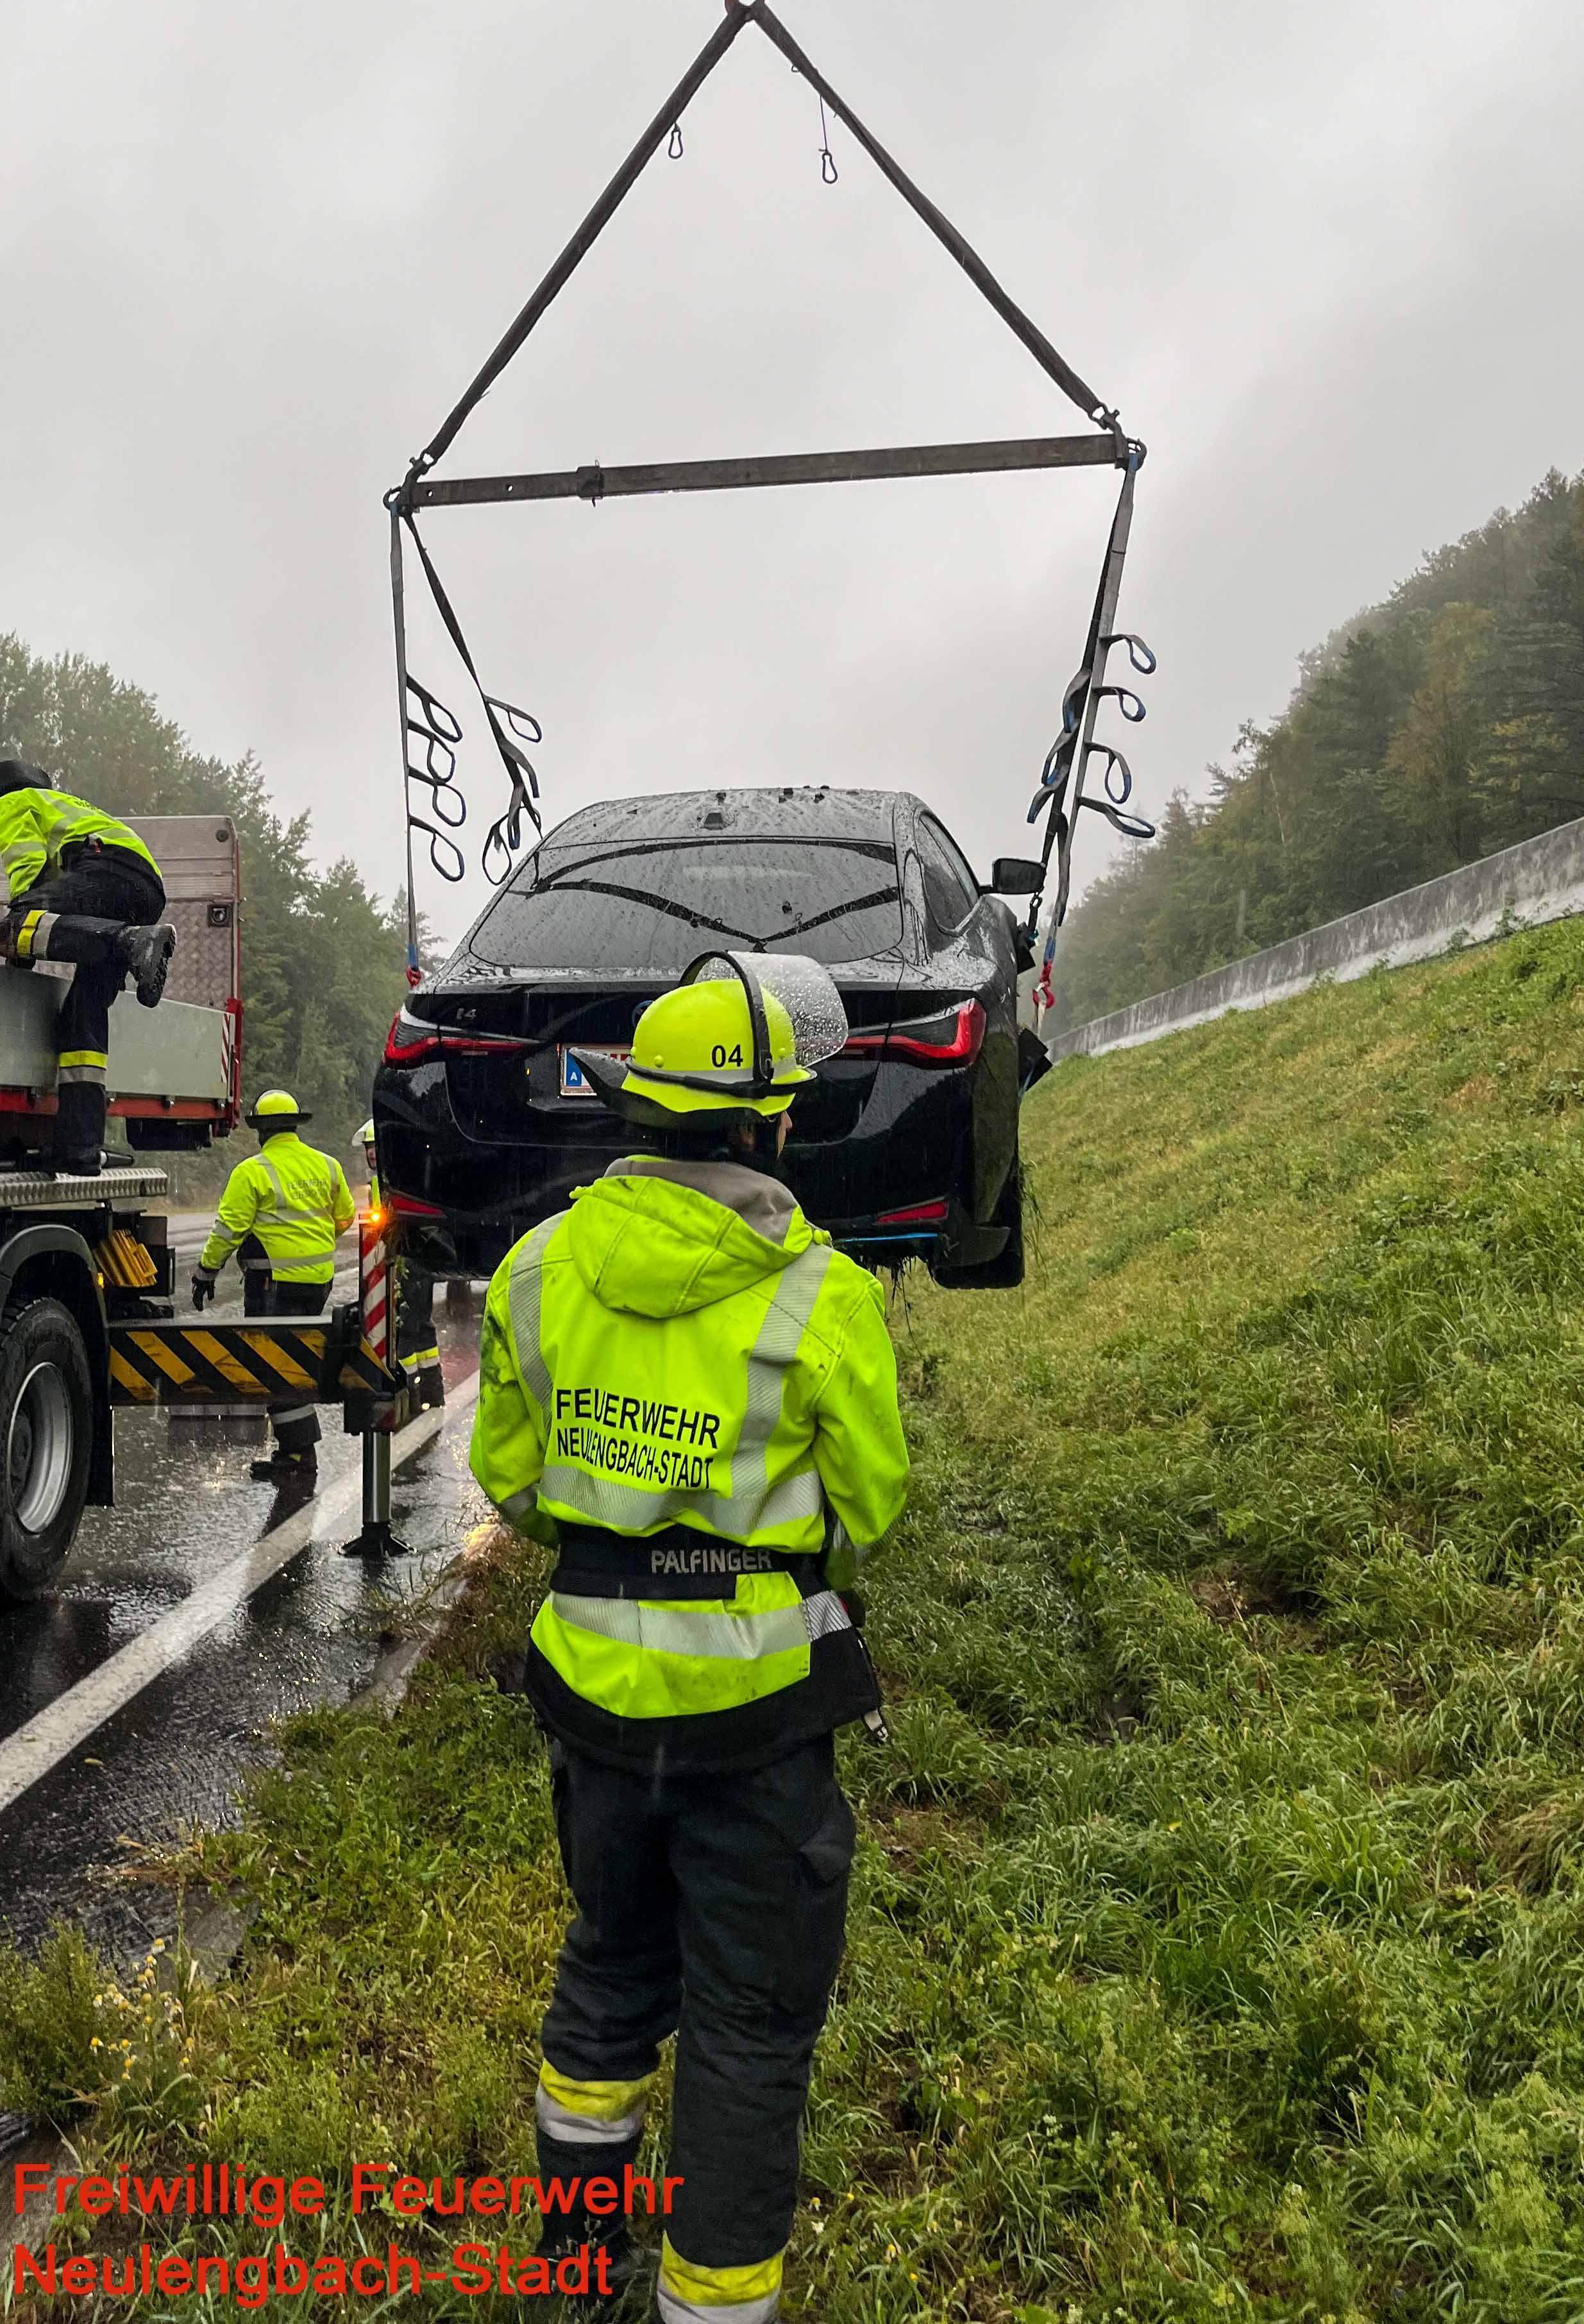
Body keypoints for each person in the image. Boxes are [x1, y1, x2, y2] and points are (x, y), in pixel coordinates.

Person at [469, 956, 909, 2323]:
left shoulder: (535, 1268)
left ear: (637, 1107)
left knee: (607, 1971)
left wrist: (620, 1523)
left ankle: (577, 2267)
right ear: (770, 1123)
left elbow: (510, 1480)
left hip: (591, 1697)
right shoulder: (822, 1294)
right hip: (758, 1720)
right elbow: (870, 1508)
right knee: (748, 2028)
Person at [0, 759, 175, 1176]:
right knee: (82, 1022)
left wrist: (22, 922)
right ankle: (79, 1150)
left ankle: (130, 942)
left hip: (105, 869)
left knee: (11, 930)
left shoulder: (10, 801)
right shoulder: (66, 807)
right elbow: (59, 886)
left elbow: (26, 861)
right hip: (145, 888)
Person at [194, 1089, 357, 1473]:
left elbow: (229, 1230)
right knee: (294, 1360)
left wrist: (206, 1272)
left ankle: (299, 1454)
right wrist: (313, 1245)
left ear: (262, 1130)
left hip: (273, 1284)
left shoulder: (253, 1172)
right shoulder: (328, 1165)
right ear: (294, 1126)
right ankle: (297, 1451)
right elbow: (346, 1217)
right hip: (318, 1282)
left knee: (273, 1366)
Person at [360, 1117, 444, 1408]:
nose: (372, 1153)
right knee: (420, 1326)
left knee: (406, 1329)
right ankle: (431, 1391)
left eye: (376, 1146)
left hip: (410, 1261)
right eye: (369, 1148)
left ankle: (412, 1395)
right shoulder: (385, 1178)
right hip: (409, 1260)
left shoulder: (399, 1178)